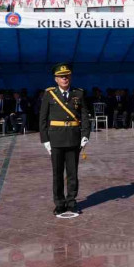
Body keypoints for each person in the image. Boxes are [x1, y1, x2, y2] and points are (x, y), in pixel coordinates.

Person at [38, 63, 91, 216]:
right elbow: (42, 119)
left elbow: (84, 117)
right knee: (57, 173)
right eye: (61, 76)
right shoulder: (49, 94)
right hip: (55, 139)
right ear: (56, 79)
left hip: (74, 138)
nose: (65, 78)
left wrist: (85, 135)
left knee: (73, 173)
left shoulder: (79, 93)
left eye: (67, 76)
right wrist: (45, 140)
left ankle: (72, 201)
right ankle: (59, 203)